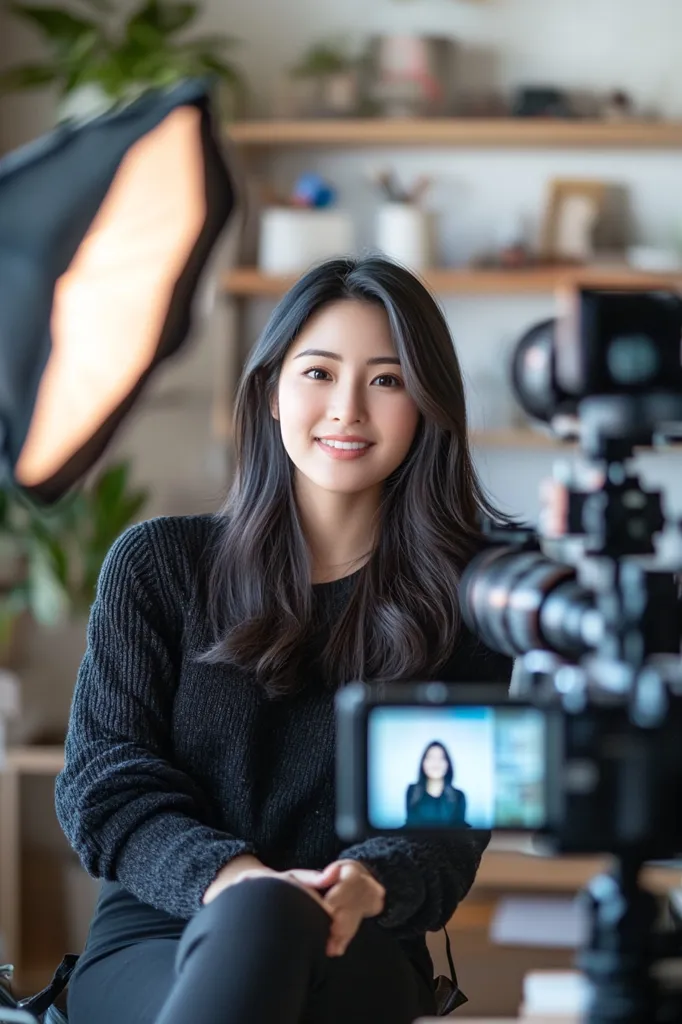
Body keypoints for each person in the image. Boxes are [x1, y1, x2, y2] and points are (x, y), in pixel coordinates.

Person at [55, 256, 514, 1024]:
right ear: (271, 391)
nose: (347, 410)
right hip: (161, 931)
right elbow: (106, 785)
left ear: (426, 405)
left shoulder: (470, 597)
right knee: (260, 923)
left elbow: (445, 821)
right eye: (318, 373)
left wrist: (361, 885)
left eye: (387, 380)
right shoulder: (159, 565)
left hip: (360, 935)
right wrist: (247, 887)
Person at [406, 742, 467, 827]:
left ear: (447, 764)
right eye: (431, 757)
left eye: (441, 758)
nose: (436, 762)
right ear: (423, 763)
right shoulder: (412, 792)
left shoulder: (458, 796)